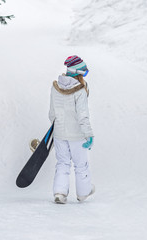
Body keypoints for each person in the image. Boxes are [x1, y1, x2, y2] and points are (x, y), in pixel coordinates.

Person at [49, 55, 95, 204]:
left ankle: (60, 193)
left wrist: (57, 129)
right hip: (77, 135)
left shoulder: (55, 87)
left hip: (60, 134)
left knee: (62, 163)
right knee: (81, 165)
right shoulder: (80, 90)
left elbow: (52, 114)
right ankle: (83, 193)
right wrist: (88, 134)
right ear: (77, 73)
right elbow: (82, 116)